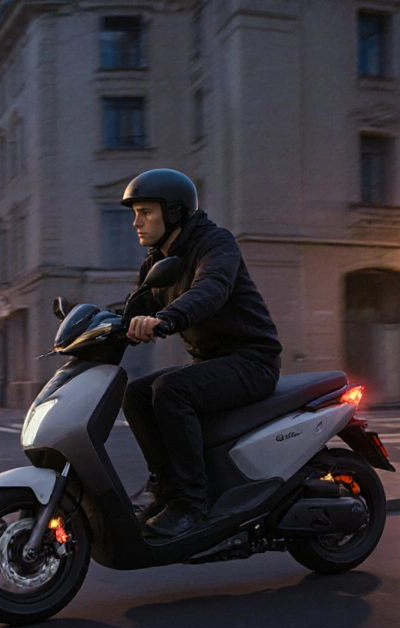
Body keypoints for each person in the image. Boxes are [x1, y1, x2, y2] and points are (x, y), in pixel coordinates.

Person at [120, 168, 283, 539]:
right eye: (135, 213)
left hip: (251, 360)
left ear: (174, 212)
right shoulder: (155, 263)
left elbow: (211, 288)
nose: (135, 222)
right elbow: (132, 308)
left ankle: (190, 504)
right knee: (134, 394)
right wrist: (90, 324)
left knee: (171, 390)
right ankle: (164, 491)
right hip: (212, 363)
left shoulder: (216, 244)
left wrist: (165, 318)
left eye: (145, 212)